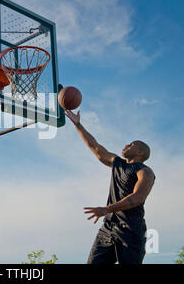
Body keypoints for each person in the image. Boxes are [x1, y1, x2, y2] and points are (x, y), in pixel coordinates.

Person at [65, 109, 156, 264]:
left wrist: (107, 209)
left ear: (140, 152)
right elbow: (95, 146)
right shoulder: (117, 163)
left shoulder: (145, 171)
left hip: (131, 229)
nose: (127, 144)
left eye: (132, 144)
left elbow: (138, 197)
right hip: (108, 228)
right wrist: (78, 125)